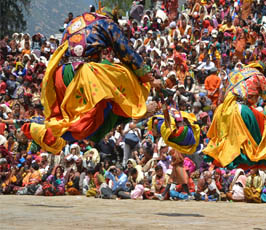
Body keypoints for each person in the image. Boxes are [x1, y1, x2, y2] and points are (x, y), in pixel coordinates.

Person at [22, 8, 161, 154]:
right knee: (124, 75)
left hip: (60, 77)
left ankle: (46, 135)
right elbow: (127, 53)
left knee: (73, 120)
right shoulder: (107, 23)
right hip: (85, 74)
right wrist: (150, 80)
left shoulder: (76, 21)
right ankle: (139, 111)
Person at [204, 63, 266, 170]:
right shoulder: (259, 76)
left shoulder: (233, 74)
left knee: (226, 145)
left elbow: (220, 97)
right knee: (263, 128)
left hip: (222, 111)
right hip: (241, 110)